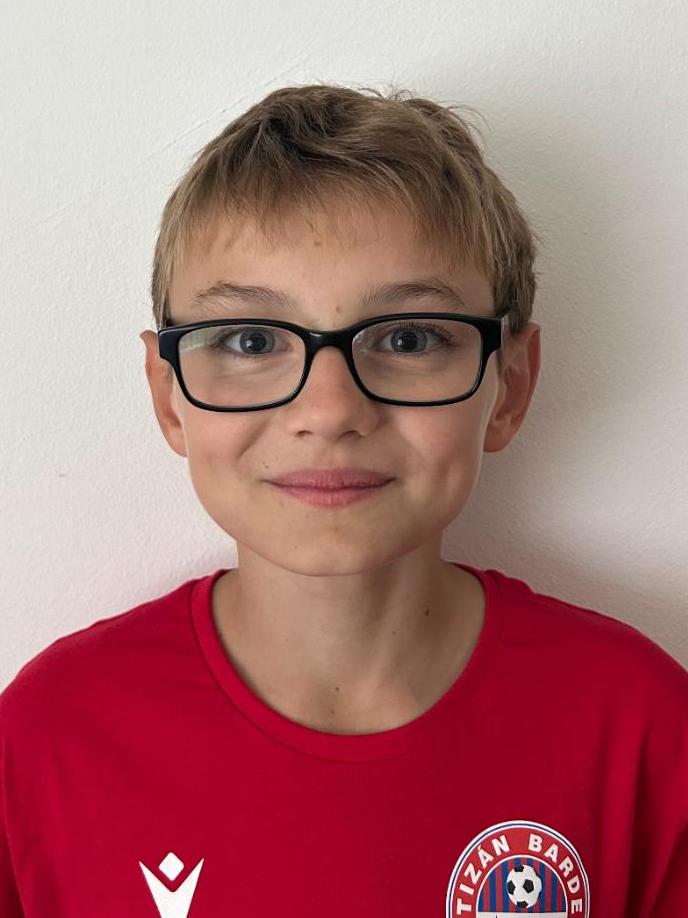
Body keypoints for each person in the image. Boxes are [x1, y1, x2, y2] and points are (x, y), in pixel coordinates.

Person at [1, 83, 686, 918]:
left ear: (508, 386)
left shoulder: (641, 731)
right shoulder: (46, 740)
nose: (328, 411)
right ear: (168, 394)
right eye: (251, 339)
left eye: (407, 338)